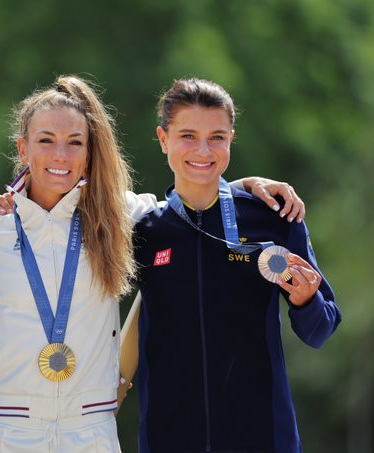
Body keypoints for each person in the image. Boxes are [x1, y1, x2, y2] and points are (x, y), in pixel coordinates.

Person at [0, 75, 306, 452]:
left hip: (91, 425)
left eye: (75, 143)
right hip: (8, 426)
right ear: (23, 148)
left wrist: (241, 186)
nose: (61, 156)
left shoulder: (122, 216)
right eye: (46, 141)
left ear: (90, 151)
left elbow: (194, 202)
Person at [131, 78, 342, 452]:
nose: (203, 150)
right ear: (163, 139)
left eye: (217, 137)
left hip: (262, 436)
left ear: (231, 138)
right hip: (168, 437)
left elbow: (321, 330)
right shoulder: (143, 231)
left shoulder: (275, 218)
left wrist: (307, 301)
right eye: (188, 136)